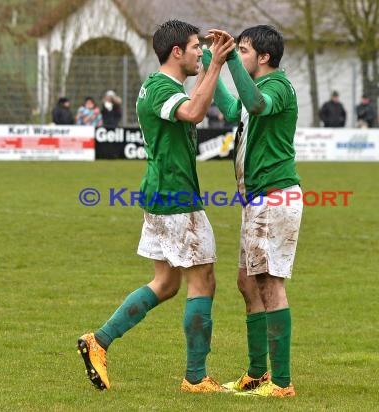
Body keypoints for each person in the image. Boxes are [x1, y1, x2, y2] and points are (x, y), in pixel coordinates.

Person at [77, 20, 235, 393]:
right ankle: (196, 378)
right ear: (176, 51)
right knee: (203, 280)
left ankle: (98, 341)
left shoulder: (157, 84)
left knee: (165, 283)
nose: (202, 52)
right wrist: (215, 67)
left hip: (160, 193)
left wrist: (212, 67)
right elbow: (195, 112)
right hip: (174, 196)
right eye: (197, 46)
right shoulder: (162, 88)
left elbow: (196, 105)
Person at [202, 25, 301, 397]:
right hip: (255, 200)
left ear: (263, 58)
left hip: (275, 197)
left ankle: (282, 383)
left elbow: (258, 104)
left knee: (269, 283)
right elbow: (233, 107)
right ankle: (258, 374)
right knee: (247, 282)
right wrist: (214, 61)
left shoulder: (278, 87)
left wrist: (229, 63)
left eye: (242, 50)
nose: (238, 56)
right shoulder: (255, 88)